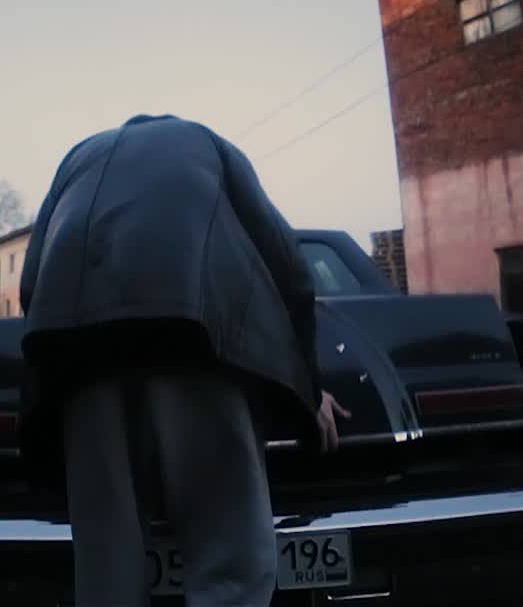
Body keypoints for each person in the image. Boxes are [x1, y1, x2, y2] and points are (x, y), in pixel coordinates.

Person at [18, 113, 350, 607]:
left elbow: (31, 284)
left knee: (107, 578)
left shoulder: (77, 158)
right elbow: (288, 264)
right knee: (230, 576)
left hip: (83, 366)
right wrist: (308, 388)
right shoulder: (208, 144)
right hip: (197, 345)